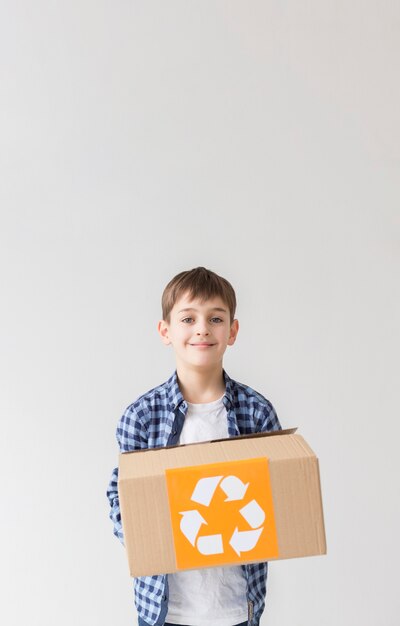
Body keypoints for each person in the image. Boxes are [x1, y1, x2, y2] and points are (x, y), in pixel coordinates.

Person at [107, 267, 281, 626]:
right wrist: (148, 535)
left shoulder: (257, 412)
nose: (202, 328)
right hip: (166, 608)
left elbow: (278, 495)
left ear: (232, 331)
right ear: (165, 331)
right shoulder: (141, 417)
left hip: (236, 606)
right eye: (188, 318)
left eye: (215, 318)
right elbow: (121, 499)